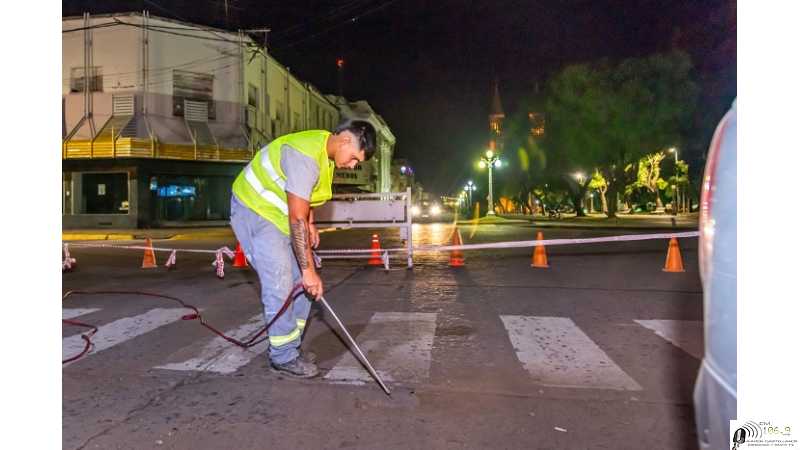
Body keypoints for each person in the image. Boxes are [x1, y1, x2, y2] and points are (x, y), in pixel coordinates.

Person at [229, 119, 377, 378]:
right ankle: (283, 357)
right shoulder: (305, 155)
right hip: (255, 210)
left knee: (303, 287)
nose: (353, 166)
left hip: (280, 215)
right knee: (283, 281)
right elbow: (296, 217)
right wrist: (308, 268)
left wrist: (311, 224)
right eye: (354, 158)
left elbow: (305, 200)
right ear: (344, 140)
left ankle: (289, 347)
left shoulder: (324, 152)